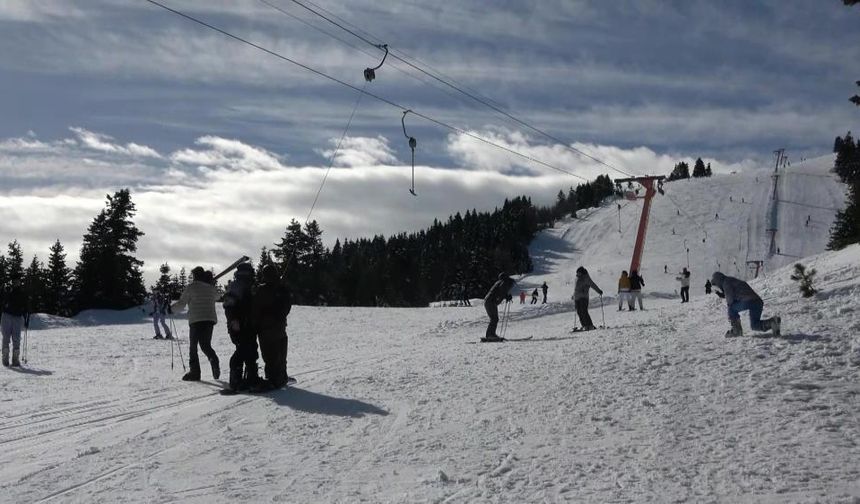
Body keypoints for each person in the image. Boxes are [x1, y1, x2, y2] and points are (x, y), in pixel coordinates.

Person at [171, 266, 220, 381]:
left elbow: (182, 303)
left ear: (194, 276)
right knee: (205, 345)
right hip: (209, 319)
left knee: (193, 347)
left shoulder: (191, 287)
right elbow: (218, 296)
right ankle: (213, 359)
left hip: (196, 320)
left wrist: (171, 309)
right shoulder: (210, 288)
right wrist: (211, 284)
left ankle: (195, 372)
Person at [253, 264, 293, 391]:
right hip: (280, 327)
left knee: (270, 355)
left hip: (266, 328)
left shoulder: (261, 290)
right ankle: (281, 376)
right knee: (281, 353)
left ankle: (273, 379)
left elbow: (256, 308)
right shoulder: (282, 289)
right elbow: (287, 307)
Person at [222, 263, 260, 392]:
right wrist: (234, 320)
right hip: (240, 324)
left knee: (250, 349)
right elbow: (229, 305)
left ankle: (251, 378)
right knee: (243, 350)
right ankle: (237, 380)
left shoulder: (248, 285)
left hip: (247, 323)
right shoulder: (238, 285)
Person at [710, 272, 780, 337]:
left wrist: (730, 314)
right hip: (757, 302)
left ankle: (737, 331)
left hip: (748, 301)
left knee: (731, 308)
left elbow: (730, 300)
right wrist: (722, 294)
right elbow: (733, 292)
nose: (717, 287)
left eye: (716, 284)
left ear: (718, 280)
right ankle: (772, 323)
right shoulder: (731, 280)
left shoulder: (726, 283)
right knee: (754, 325)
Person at [1, 282, 29, 367]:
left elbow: (25, 307)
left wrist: (26, 319)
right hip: (6, 315)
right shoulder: (7, 290)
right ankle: (5, 358)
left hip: (17, 317)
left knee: (16, 338)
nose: (16, 283)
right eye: (15, 281)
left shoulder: (22, 293)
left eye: (18, 281)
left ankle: (15, 359)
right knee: (6, 337)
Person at [484, 273, 515, 340]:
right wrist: (507, 296)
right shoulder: (503, 282)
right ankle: (490, 335)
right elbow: (502, 291)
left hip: (488, 301)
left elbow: (500, 291)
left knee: (494, 318)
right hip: (490, 302)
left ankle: (491, 334)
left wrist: (506, 296)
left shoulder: (499, 282)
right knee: (494, 318)